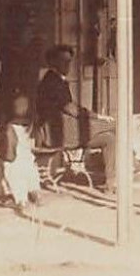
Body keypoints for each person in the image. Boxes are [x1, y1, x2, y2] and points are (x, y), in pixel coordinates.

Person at [35, 45, 116, 184]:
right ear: (54, 62)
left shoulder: (56, 79)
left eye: (69, 61)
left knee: (110, 137)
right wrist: (98, 117)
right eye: (64, 61)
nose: (68, 65)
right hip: (58, 133)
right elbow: (71, 108)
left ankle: (113, 181)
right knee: (113, 128)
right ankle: (114, 181)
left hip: (64, 129)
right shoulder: (53, 81)